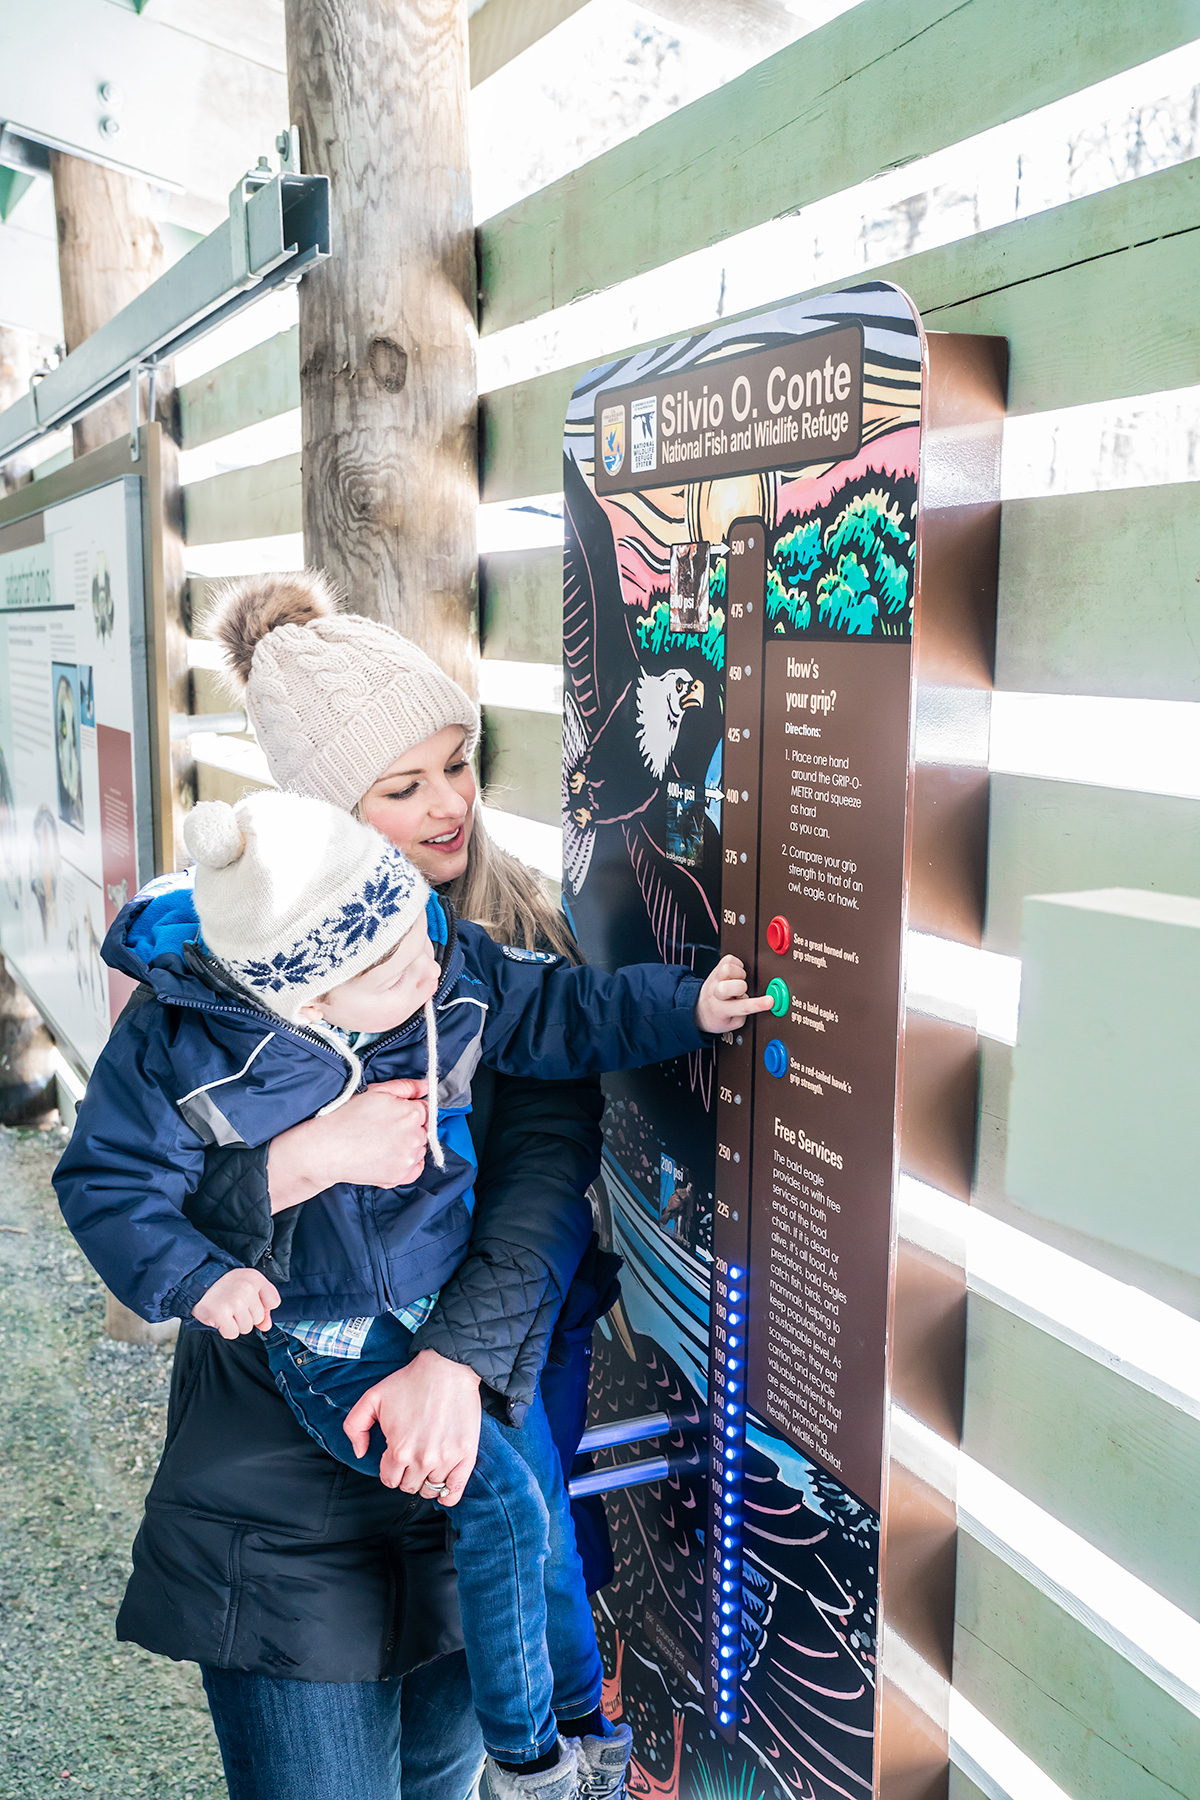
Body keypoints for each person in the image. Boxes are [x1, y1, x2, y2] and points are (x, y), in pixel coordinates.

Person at [63, 571, 707, 1800]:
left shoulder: (507, 938)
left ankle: (559, 1750)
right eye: (403, 788)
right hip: (284, 1482)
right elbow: (134, 1192)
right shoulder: (224, 972)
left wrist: (455, 1367)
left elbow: (541, 1188)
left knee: (446, 1762)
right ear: (322, 817)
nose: (451, 806)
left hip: (463, 1429)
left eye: (458, 769)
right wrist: (300, 1161)